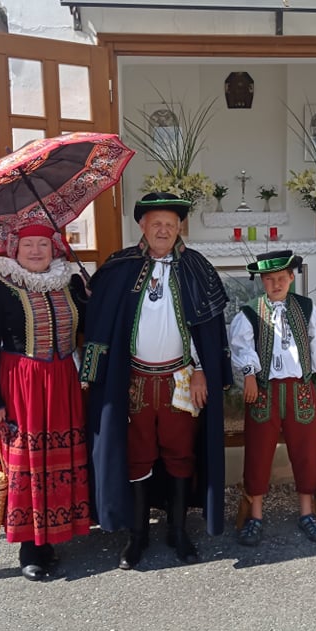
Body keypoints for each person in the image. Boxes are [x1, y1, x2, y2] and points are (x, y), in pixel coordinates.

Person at [81, 191, 232, 569]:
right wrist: (91, 293)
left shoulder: (196, 267)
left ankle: (178, 532)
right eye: (156, 224)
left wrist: (202, 370)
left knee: (181, 455)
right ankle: (137, 536)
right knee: (138, 456)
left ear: (180, 228)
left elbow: (207, 329)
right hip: (134, 382)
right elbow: (99, 319)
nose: (163, 230)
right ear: (142, 227)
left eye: (170, 224)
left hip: (181, 381)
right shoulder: (119, 267)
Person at [0, 222, 90, 580]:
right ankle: (30, 547)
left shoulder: (70, 283)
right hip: (21, 385)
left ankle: (55, 535)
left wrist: (92, 295)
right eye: (28, 245)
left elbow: (86, 326)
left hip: (63, 381)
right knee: (27, 464)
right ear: (15, 249)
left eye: (43, 244)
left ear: (54, 249)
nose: (36, 251)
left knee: (59, 461)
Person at [229, 250, 316, 546]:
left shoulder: (306, 308)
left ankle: (308, 512)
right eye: (269, 279)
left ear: (291, 278)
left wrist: (310, 370)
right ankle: (255, 515)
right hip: (264, 390)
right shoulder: (251, 311)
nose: (276, 284)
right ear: (262, 281)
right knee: (258, 451)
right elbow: (241, 346)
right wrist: (249, 374)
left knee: (306, 450)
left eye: (281, 278)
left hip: (299, 389)